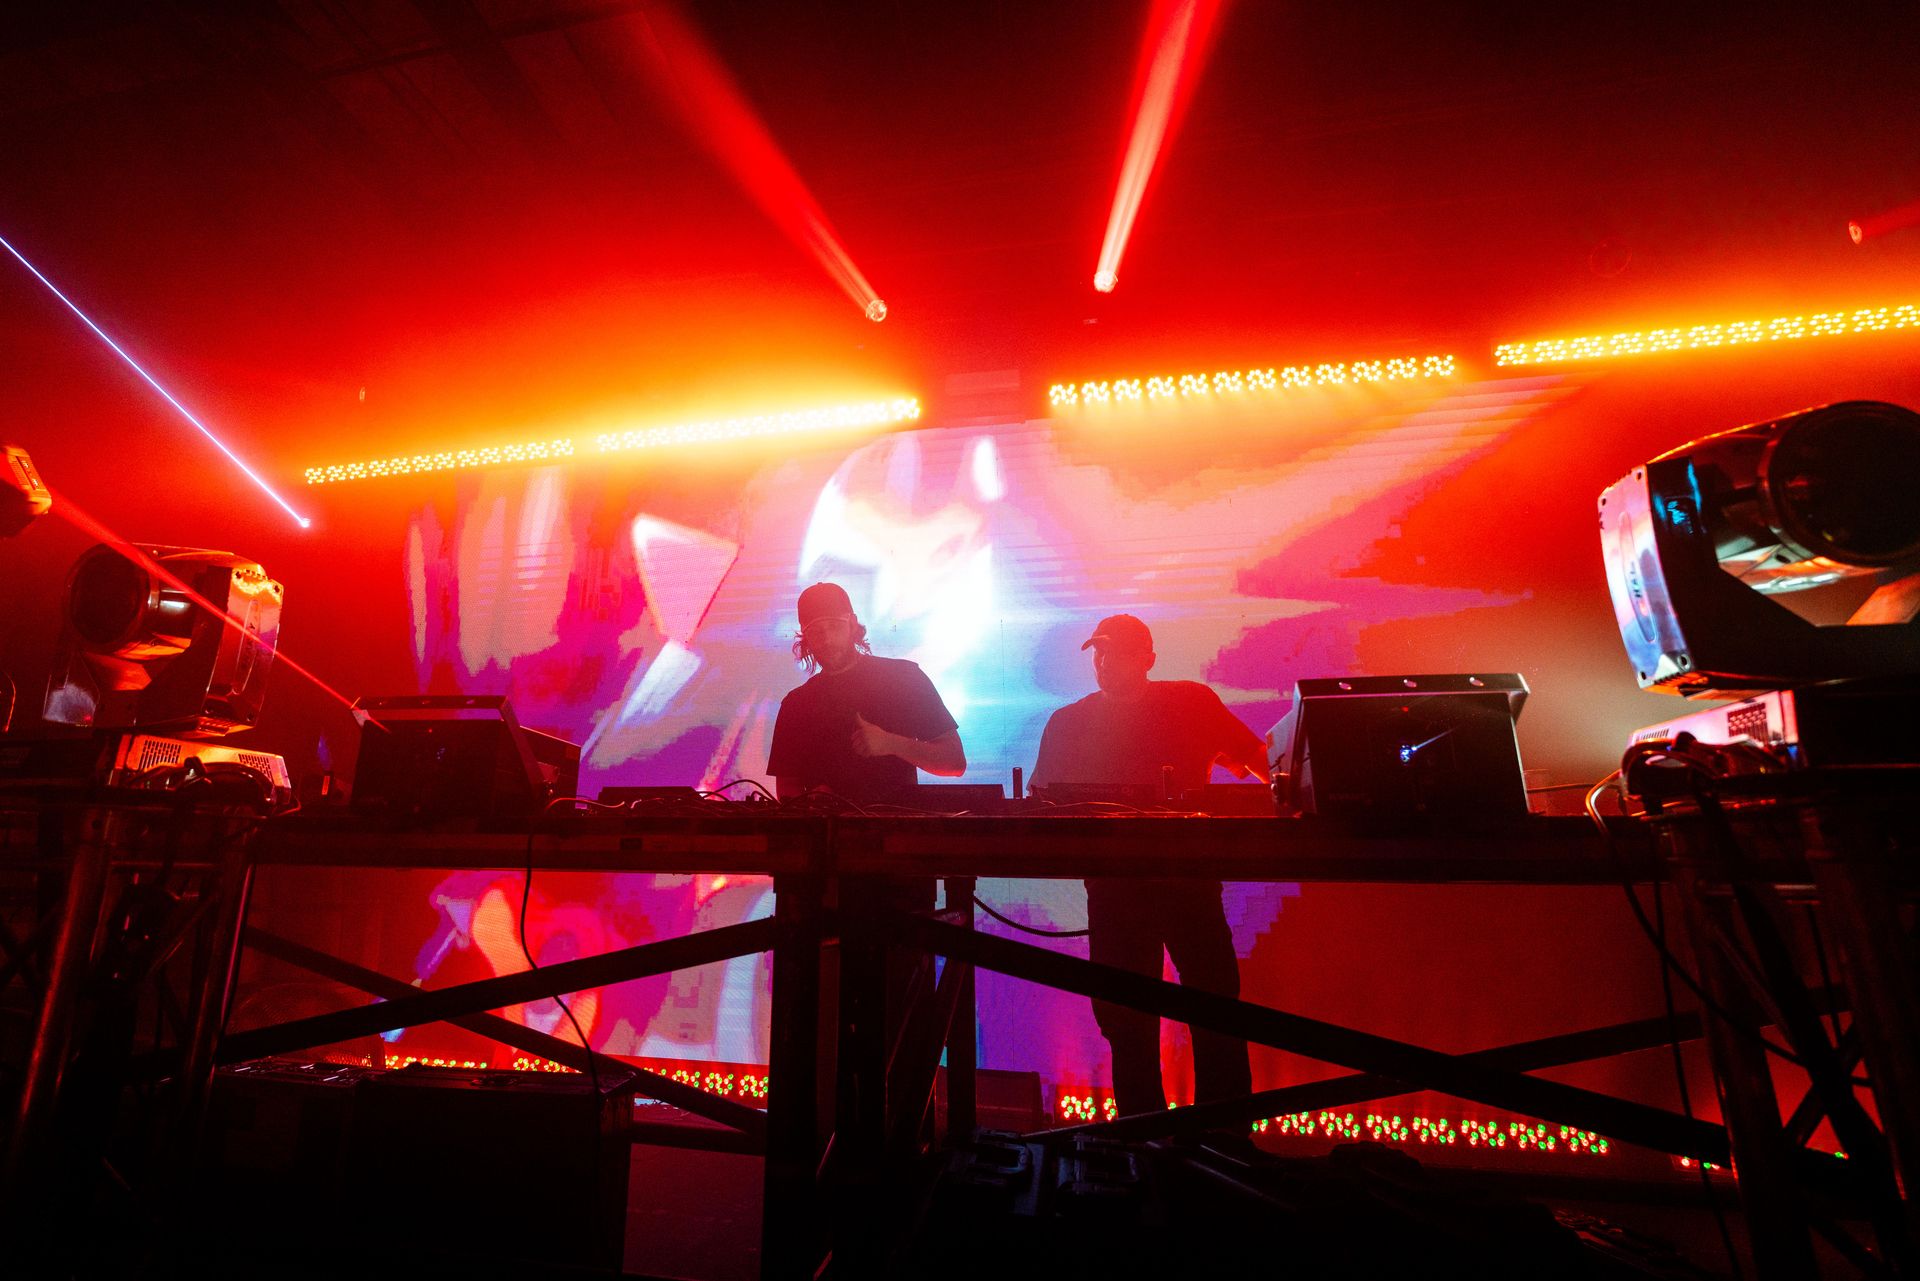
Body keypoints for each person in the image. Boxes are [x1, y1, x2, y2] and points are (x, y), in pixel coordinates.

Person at [1031, 613, 1269, 1116]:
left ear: (1148, 660)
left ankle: (1221, 1137)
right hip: (1119, 890)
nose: (1102, 661)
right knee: (1128, 1020)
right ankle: (1146, 1141)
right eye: (1098, 652)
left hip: (1187, 883)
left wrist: (1298, 793)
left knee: (1213, 1008)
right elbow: (1042, 801)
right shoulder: (1070, 721)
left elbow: (1257, 758)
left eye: (1114, 651)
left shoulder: (1189, 703)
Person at [766, 581, 966, 803]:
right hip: (826, 835)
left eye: (834, 626)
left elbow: (954, 761)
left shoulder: (903, 678)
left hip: (897, 833)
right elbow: (787, 788)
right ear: (805, 639)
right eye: (815, 632)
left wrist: (890, 743)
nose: (827, 640)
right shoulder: (796, 704)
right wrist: (809, 802)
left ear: (852, 624)